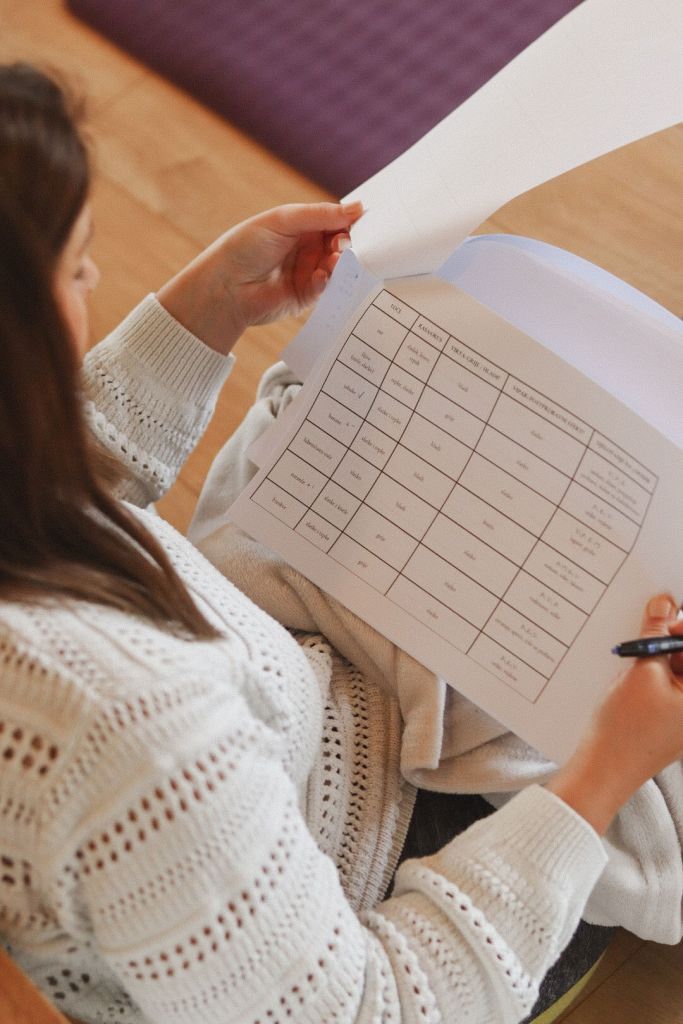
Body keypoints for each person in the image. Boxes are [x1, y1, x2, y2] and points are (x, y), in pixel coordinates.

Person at [0, 61, 681, 1024]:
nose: (97, 280)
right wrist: (607, 769)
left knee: (317, 422)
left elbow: (54, 479)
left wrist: (210, 305)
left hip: (273, 722)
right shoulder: (136, 738)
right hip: (376, 878)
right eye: (75, 267)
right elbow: (369, 1007)